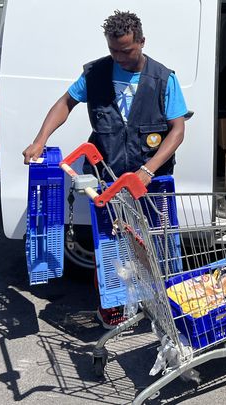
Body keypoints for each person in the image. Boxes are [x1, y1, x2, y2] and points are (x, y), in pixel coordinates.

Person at [22, 10, 188, 328]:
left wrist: (148, 170)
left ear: (141, 42)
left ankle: (161, 302)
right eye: (114, 51)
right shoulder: (96, 73)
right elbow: (64, 104)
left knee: (156, 243)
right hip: (107, 180)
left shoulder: (163, 78)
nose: (120, 57)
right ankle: (114, 304)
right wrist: (40, 140)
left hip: (150, 183)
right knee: (109, 245)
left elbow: (177, 130)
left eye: (126, 50)